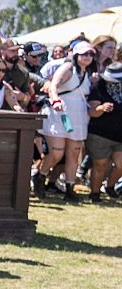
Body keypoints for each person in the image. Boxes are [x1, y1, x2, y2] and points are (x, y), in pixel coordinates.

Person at [34, 39, 96, 199]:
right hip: (59, 114)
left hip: (78, 116)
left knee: (74, 154)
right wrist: (55, 100)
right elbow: (53, 85)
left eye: (90, 54)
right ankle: (40, 177)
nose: (88, 57)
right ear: (76, 55)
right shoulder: (68, 68)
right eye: (84, 54)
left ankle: (70, 187)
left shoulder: (87, 73)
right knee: (56, 153)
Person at [86, 62, 122, 199]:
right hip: (100, 133)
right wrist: (101, 108)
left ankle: (110, 186)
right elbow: (92, 111)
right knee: (101, 164)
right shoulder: (98, 87)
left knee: (120, 164)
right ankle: (95, 193)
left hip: (119, 134)